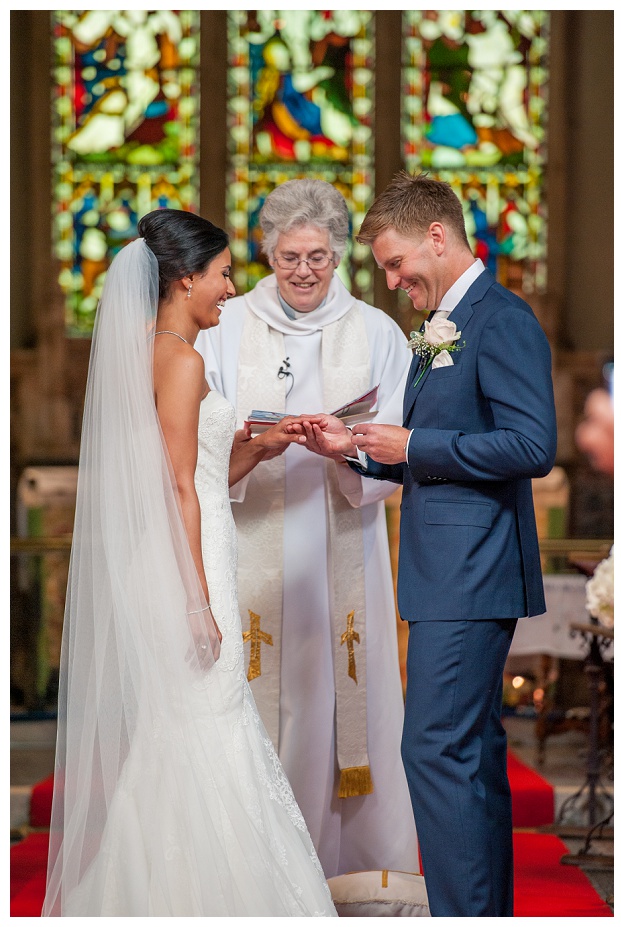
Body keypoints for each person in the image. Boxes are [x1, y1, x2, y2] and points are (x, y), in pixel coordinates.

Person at [42, 208, 337, 916]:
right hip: (186, 562)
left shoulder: (151, 348)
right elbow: (178, 486)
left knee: (181, 729)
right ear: (184, 278)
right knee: (210, 721)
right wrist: (197, 600)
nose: (232, 288)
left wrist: (257, 448)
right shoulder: (181, 356)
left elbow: (198, 472)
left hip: (179, 551)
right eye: (223, 272)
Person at [294, 172, 558, 916]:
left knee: (434, 749)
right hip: (450, 572)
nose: (390, 279)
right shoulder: (446, 322)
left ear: (437, 236)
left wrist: (414, 441)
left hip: (473, 570)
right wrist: (353, 448)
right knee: (467, 753)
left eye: (394, 260)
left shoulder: (499, 318)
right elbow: (428, 449)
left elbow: (533, 443)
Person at [196, 178, 419, 878]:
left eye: (318, 256)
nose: (303, 271)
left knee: (335, 696)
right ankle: (254, 866)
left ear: (340, 254)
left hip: (339, 542)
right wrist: (257, 441)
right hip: (250, 538)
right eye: (290, 255)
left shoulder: (377, 332)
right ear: (267, 252)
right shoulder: (227, 326)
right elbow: (198, 439)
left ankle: (341, 866)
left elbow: (401, 443)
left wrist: (343, 444)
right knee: (258, 691)